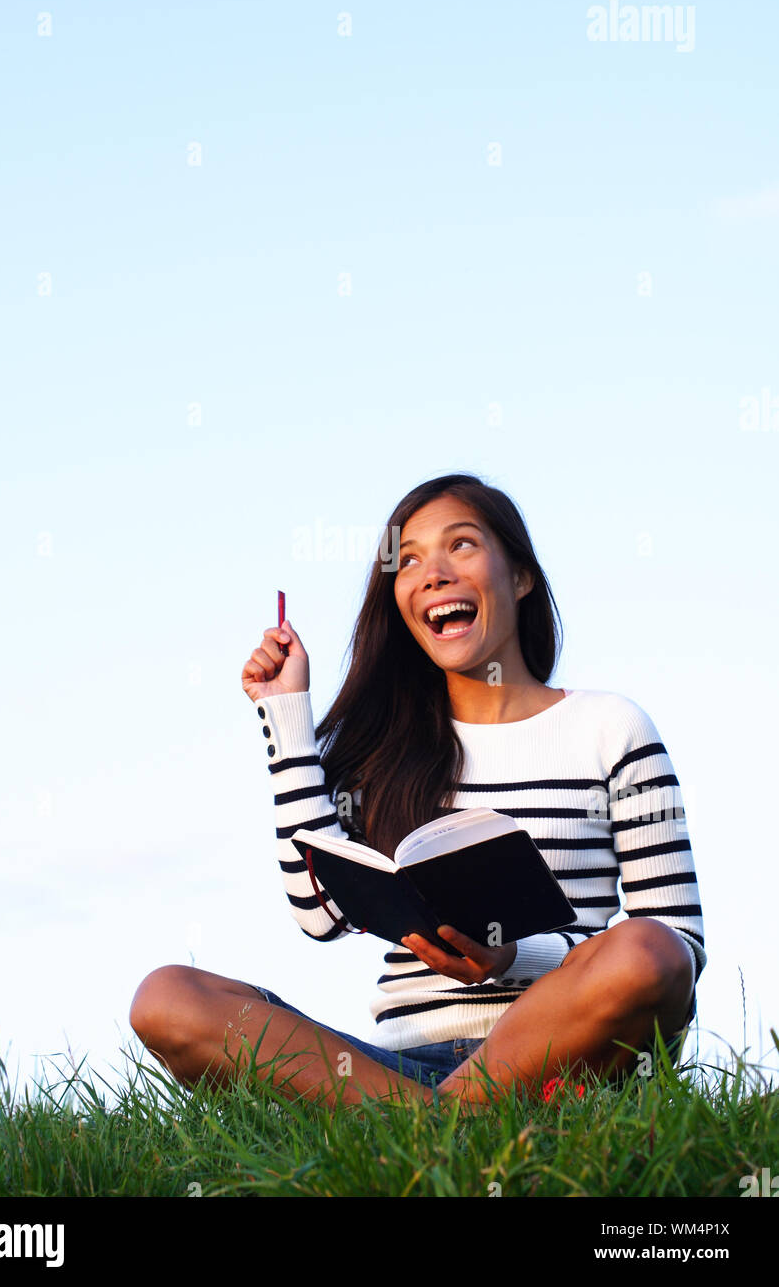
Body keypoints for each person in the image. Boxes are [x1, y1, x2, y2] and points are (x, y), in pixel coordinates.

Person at [129, 473, 704, 1113]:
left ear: (519, 577)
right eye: (408, 560)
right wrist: (286, 715)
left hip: (561, 1060)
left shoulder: (613, 727)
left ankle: (423, 1129)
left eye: (460, 545)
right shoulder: (388, 748)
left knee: (648, 952)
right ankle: (436, 1122)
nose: (433, 572)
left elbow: (679, 948)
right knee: (166, 997)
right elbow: (320, 915)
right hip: (392, 1071)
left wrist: (512, 955)